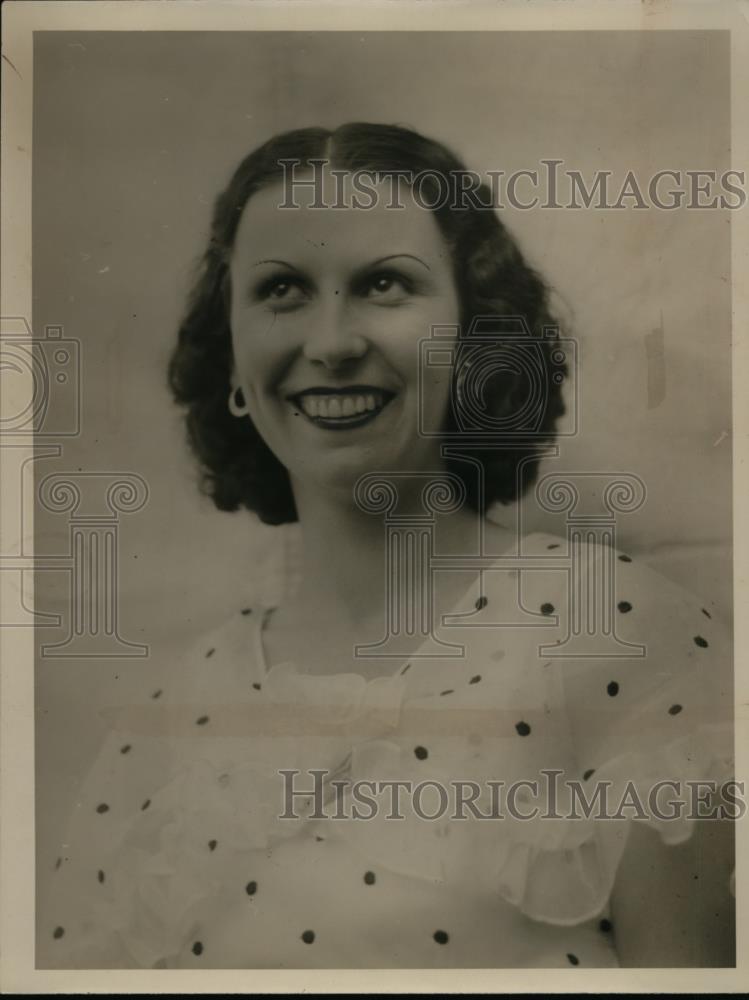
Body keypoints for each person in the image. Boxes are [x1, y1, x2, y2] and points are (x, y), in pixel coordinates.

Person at [38, 123, 735, 969]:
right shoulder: (165, 720)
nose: (330, 343)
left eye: (382, 284)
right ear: (231, 358)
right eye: (283, 291)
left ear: (474, 337)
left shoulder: (615, 632)